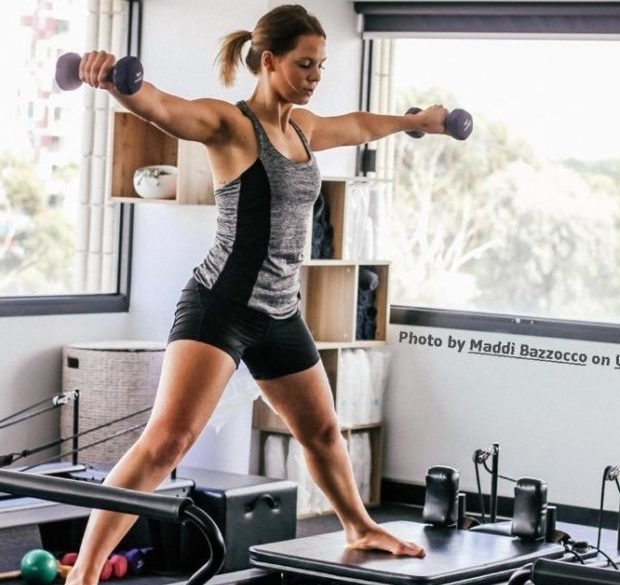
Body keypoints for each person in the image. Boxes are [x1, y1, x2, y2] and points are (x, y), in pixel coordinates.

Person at [66, 5, 450, 582]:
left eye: (321, 65)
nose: (315, 76)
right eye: (304, 65)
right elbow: (166, 110)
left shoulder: (305, 128)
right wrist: (117, 82)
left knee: (321, 432)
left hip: (281, 311)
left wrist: (417, 121)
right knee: (167, 441)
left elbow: (360, 124)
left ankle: (358, 525)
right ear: (269, 61)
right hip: (220, 306)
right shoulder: (230, 125)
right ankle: (86, 572)